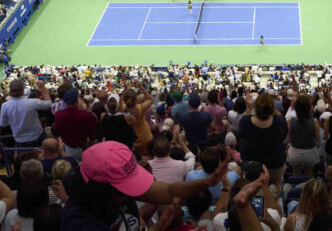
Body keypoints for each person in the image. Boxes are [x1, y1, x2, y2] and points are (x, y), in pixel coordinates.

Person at [61, 140, 229, 228]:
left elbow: (169, 191)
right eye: (126, 185)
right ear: (101, 189)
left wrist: (207, 182)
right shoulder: (80, 223)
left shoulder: (113, 195)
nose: (131, 192)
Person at [239, 92, 288, 187]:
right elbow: (283, 136)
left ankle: (255, 202)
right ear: (272, 108)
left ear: (256, 107)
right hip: (274, 163)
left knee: (251, 186)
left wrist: (250, 107)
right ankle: (274, 201)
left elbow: (242, 135)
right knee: (276, 184)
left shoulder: (245, 121)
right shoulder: (280, 121)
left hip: (251, 164)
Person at [0, 78, 52, 147]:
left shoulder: (5, 106)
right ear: (23, 89)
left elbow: (3, 124)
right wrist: (43, 87)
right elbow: (49, 104)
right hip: (36, 137)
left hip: (20, 141)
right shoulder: (32, 102)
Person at [53, 88, 98, 159]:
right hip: (83, 147)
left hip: (67, 147)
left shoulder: (58, 115)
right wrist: (85, 109)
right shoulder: (86, 115)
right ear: (76, 101)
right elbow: (95, 121)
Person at [287, 94, 320, 175]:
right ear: (308, 108)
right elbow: (318, 139)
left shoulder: (290, 121)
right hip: (310, 152)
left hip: (295, 152)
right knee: (308, 174)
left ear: (296, 108)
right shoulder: (314, 121)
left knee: (295, 174)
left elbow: (288, 139)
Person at [123, 79, 153, 156]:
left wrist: (125, 88)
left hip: (132, 138)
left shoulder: (122, 108)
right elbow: (150, 99)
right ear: (136, 99)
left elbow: (123, 100)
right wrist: (140, 87)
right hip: (145, 136)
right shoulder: (140, 107)